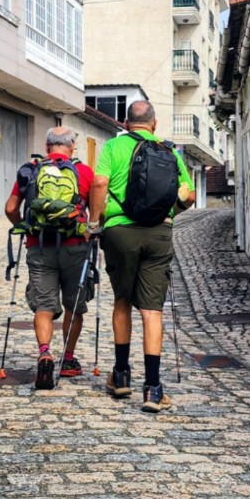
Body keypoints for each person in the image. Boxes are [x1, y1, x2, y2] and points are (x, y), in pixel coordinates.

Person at [87, 100, 194, 412]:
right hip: (159, 233)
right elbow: (188, 193)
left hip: (120, 232)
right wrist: (168, 211)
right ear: (154, 124)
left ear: (124, 122)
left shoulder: (112, 148)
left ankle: (121, 377)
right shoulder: (169, 150)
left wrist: (95, 223)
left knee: (122, 300)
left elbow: (99, 183)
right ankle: (153, 389)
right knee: (152, 311)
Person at [5, 126, 97, 391]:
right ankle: (67, 359)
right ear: (72, 147)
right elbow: (94, 213)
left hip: (39, 246)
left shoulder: (31, 170)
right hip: (75, 248)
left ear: (47, 147)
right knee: (74, 305)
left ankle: (45, 352)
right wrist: (91, 231)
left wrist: (24, 226)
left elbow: (11, 208)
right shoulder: (83, 172)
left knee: (44, 306)